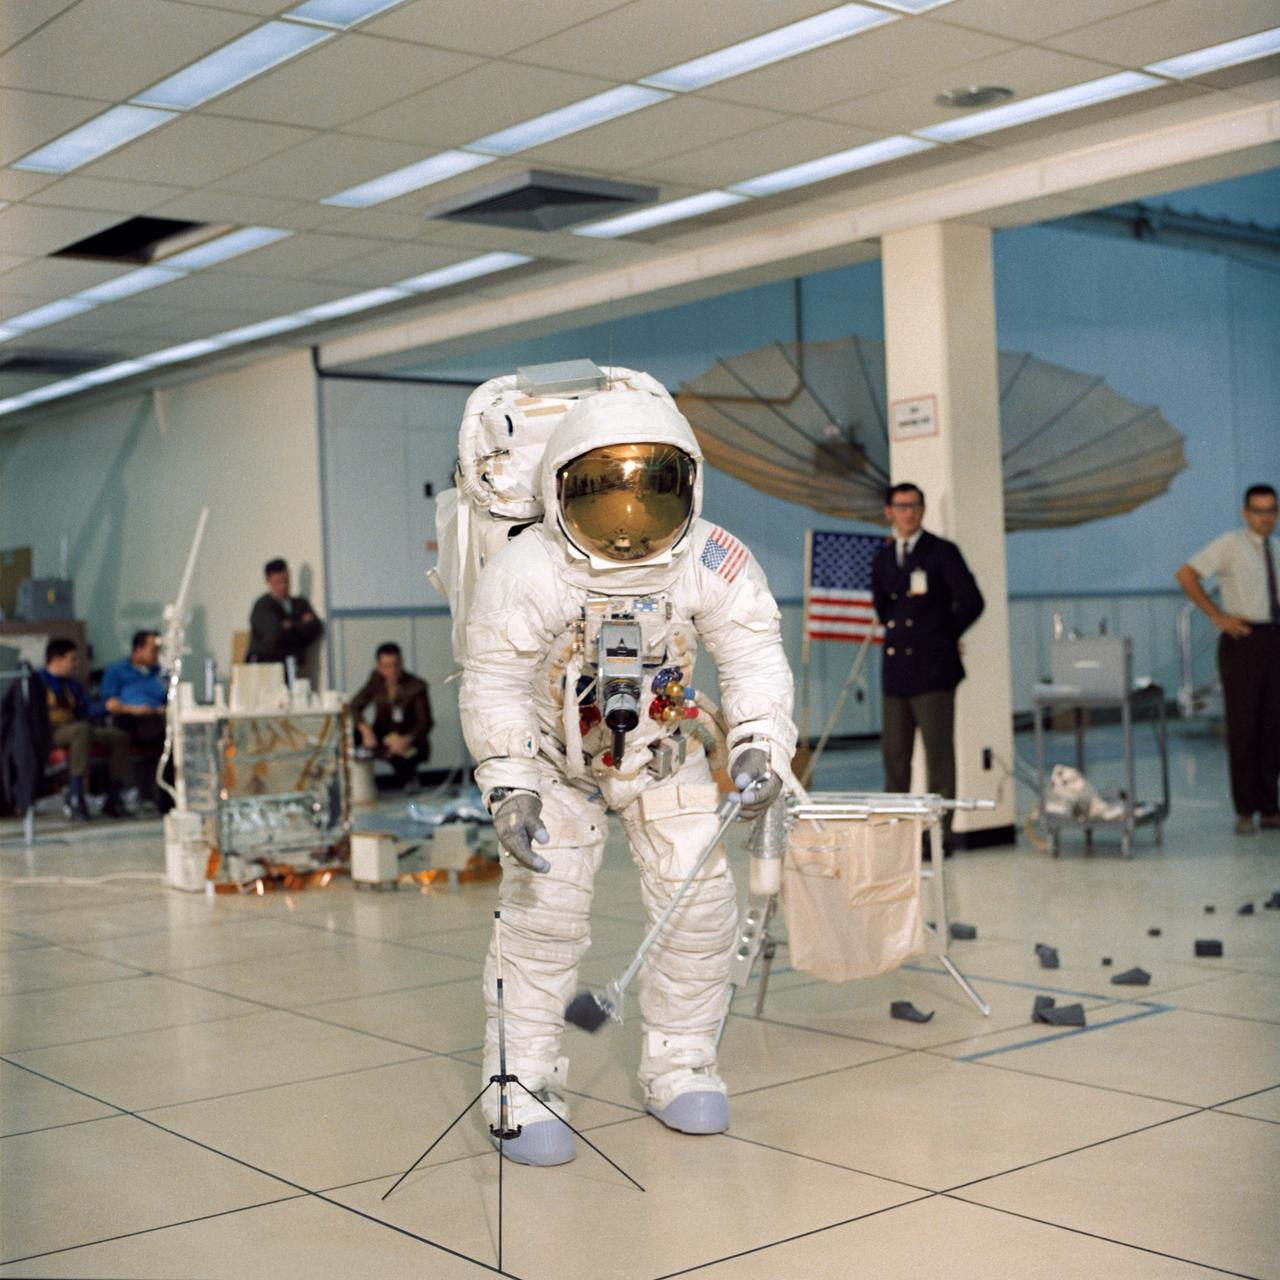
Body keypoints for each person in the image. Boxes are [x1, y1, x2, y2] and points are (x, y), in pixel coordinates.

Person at [460, 383, 794, 1167]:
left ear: (688, 484)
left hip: (662, 752)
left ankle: (681, 1064)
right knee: (543, 921)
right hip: (554, 765)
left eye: (651, 491)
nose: (629, 521)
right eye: (606, 491)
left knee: (702, 909)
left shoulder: (710, 555)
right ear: (562, 489)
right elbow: (495, 680)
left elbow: (753, 656)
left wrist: (757, 744)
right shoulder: (530, 566)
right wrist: (509, 784)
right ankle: (521, 1081)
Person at [871, 482, 984, 849]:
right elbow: (883, 607)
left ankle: (940, 837)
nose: (910, 513)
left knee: (938, 760)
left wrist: (942, 635)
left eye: (916, 506)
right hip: (896, 673)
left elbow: (971, 601)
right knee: (896, 761)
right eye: (902, 506)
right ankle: (897, 838)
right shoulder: (884, 555)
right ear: (889, 511)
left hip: (934, 672)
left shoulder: (941, 552)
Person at [1176, 483, 1280, 834]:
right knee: (1244, 727)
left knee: (1272, 727)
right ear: (1245, 513)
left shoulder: (1277, 549)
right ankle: (1245, 810)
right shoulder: (1230, 545)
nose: (1265, 518)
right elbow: (1186, 575)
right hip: (1243, 640)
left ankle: (1269, 807)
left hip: (1274, 639)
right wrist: (1216, 615)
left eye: (1271, 511)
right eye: (1259, 511)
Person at [38, 638, 131, 820]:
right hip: (51, 731)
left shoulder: (72, 685)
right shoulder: (37, 683)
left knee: (119, 737)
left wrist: (106, 707)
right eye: (72, 659)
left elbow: (86, 708)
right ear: (57, 658)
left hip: (77, 728)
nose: (75, 664)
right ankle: (76, 794)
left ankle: (114, 796)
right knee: (81, 730)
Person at [349, 642, 433, 788]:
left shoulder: (416, 685)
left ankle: (409, 780)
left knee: (405, 760)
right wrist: (365, 729)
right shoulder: (376, 680)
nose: (392, 671)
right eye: (386, 666)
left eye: (396, 665)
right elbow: (354, 706)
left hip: (406, 737)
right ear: (379, 667)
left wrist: (406, 739)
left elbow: (425, 722)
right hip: (382, 734)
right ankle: (358, 783)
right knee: (353, 734)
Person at [246, 558, 323, 667]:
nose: (283, 586)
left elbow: (315, 628)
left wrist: (288, 625)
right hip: (267, 667)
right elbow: (274, 636)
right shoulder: (263, 606)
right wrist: (300, 624)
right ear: (268, 581)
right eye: (278, 582)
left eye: (285, 581)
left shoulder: (300, 604)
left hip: (293, 665)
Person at [102, 630, 167, 751]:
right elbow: (110, 705)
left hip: (158, 716)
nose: (157, 655)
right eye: (153, 651)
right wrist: (136, 710)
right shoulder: (116, 671)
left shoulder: (160, 673)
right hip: (132, 719)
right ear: (138, 650)